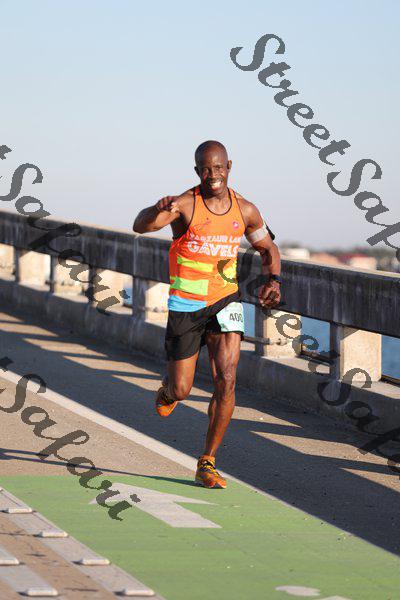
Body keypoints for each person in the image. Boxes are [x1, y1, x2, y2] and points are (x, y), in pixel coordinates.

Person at [133, 140, 281, 488]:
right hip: (186, 306)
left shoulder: (245, 210)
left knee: (227, 378)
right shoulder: (185, 205)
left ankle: (208, 461)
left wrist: (273, 279)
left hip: (226, 300)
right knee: (182, 389)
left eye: (218, 167)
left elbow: (267, 247)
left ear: (229, 166)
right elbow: (141, 226)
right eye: (205, 169)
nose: (212, 174)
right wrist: (155, 209)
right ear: (197, 170)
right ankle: (169, 391)